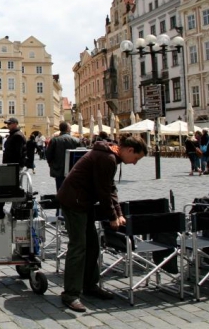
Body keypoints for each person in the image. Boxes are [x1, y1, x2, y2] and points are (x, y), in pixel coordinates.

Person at [57, 134, 148, 312]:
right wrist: (113, 216)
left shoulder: (111, 155)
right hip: (74, 202)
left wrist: (118, 213)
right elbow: (103, 191)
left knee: (92, 245)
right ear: (129, 150)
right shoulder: (107, 158)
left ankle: (90, 286)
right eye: (136, 158)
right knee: (79, 246)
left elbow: (110, 187)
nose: (135, 162)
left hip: (83, 202)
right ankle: (70, 294)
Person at [46, 122, 83, 192]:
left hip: (58, 168)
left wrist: (51, 163)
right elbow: (81, 154)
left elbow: (48, 154)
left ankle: (61, 201)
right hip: (72, 168)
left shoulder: (54, 140)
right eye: (70, 127)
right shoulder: (75, 140)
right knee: (71, 188)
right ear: (67, 129)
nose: (71, 128)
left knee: (60, 188)